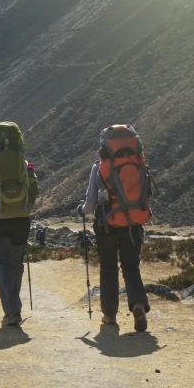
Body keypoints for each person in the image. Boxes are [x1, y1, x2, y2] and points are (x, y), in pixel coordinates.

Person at [77, 125, 153, 332]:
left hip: (107, 225)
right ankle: (138, 304)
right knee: (131, 267)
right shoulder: (140, 165)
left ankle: (109, 315)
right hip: (133, 225)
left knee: (109, 269)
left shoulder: (99, 168)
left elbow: (90, 203)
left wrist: (81, 210)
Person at [0, 122, 39, 326]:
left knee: (3, 263)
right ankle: (14, 307)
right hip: (21, 220)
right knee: (16, 262)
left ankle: (11, 311)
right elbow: (34, 189)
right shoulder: (23, 164)